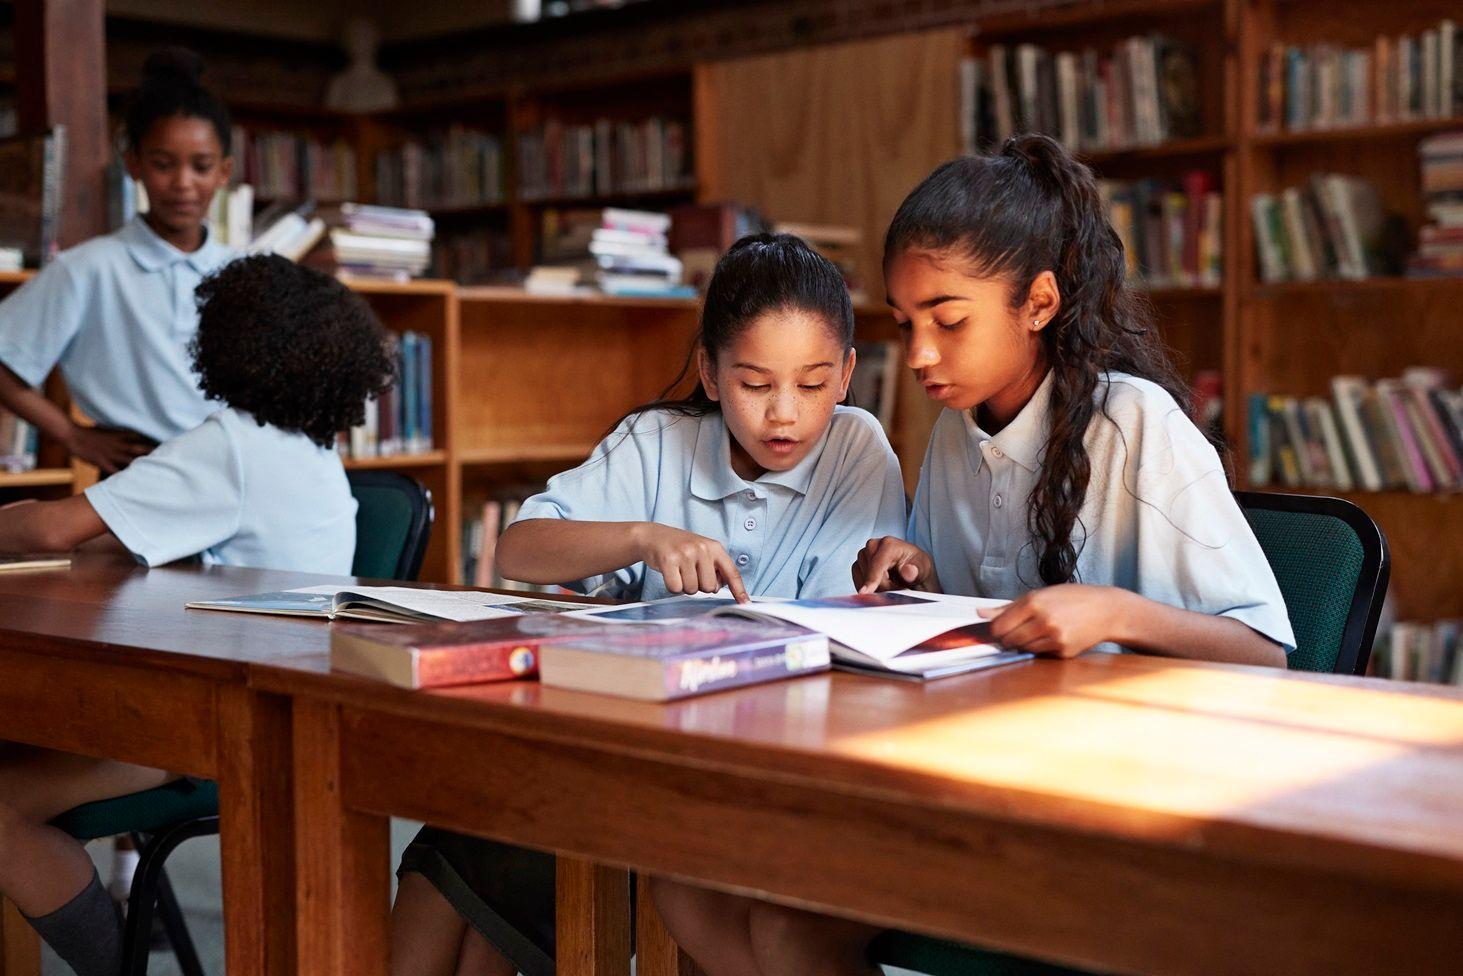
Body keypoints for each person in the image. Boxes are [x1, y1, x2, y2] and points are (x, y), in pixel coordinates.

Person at [653, 135, 1295, 976]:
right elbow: (963, 625)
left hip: (1114, 807)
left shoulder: (1135, 425)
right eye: (905, 322)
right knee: (684, 880)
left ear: (1036, 303)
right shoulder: (957, 432)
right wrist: (911, 573)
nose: (919, 353)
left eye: (948, 321)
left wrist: (1113, 611)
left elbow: (1269, 653)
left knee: (783, 929)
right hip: (968, 778)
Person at [390, 233, 907, 976]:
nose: (784, 416)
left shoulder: (857, 449)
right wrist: (640, 536)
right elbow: (518, 548)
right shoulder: (654, 441)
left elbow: (837, 623)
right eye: (755, 385)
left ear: (848, 374)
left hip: (764, 779)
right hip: (628, 761)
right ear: (708, 370)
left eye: (813, 384)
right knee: (454, 849)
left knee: (490, 869)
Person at [0, 254, 395, 976]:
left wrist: (20, 519)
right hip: (276, 702)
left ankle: (115, 964)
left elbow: (51, 534)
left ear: (224, 345)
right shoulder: (306, 448)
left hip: (216, 723)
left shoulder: (228, 448)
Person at [0, 48, 238, 473]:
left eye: (201, 166)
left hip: (235, 474)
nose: (182, 183)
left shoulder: (244, 272)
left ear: (224, 172)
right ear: (134, 166)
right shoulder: (89, 268)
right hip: (141, 478)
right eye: (163, 164)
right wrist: (74, 436)